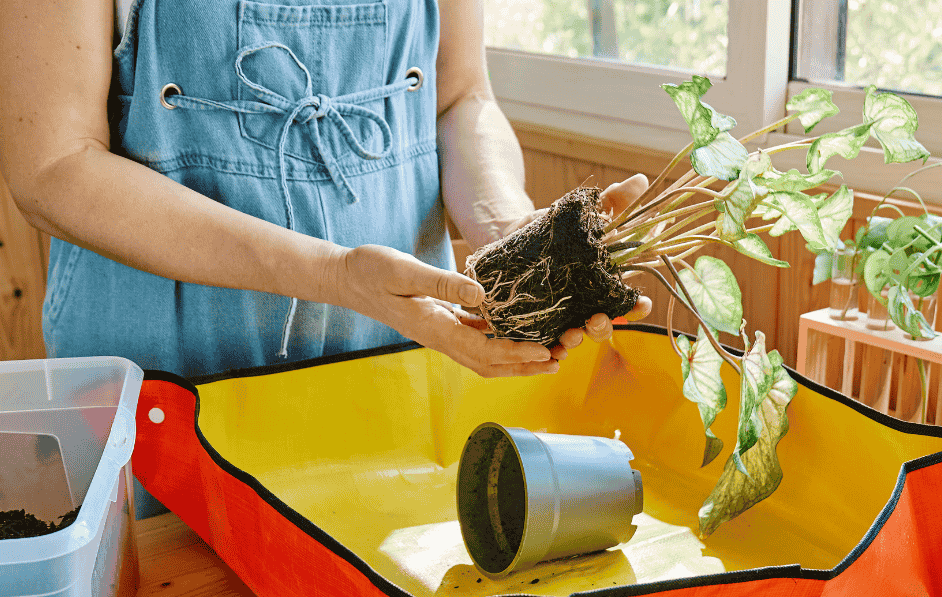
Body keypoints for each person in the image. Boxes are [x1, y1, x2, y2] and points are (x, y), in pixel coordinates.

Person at [0, 0, 650, 517]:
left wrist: (506, 225)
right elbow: (52, 165)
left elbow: (460, 98)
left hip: (388, 363)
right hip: (161, 388)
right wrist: (331, 274)